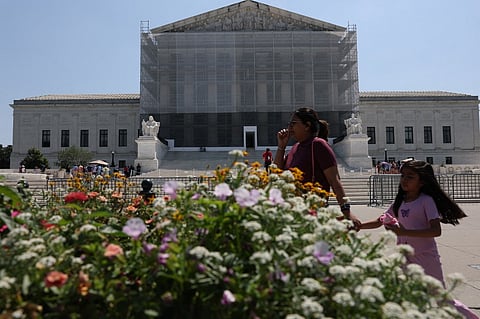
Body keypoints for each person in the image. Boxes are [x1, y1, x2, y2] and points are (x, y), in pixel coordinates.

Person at [360, 160, 477, 318]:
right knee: (404, 297)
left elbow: (436, 231)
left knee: (441, 299)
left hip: (425, 257)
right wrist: (357, 226)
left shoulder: (426, 201)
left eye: (410, 177)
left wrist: (405, 232)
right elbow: (379, 220)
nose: (404, 180)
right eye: (403, 176)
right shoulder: (400, 202)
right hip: (405, 257)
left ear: (422, 182)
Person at [274, 107, 361, 229]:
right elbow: (277, 173)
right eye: (289, 124)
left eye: (293, 123)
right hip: (294, 214)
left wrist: (347, 212)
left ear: (307, 125)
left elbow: (335, 181)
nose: (289, 128)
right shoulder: (296, 148)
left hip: (313, 215)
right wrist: (281, 147)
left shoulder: (319, 145)